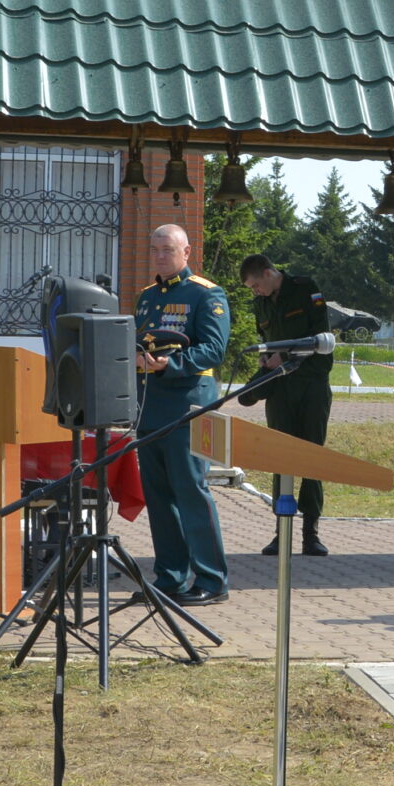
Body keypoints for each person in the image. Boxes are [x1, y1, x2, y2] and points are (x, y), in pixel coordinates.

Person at [132, 223, 232, 606]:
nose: (160, 256)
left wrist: (168, 365)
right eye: (155, 249)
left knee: (191, 491)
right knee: (158, 496)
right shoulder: (145, 297)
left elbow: (213, 350)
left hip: (189, 404)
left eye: (168, 250)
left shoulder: (206, 294)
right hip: (150, 406)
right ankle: (170, 577)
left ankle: (211, 578)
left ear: (186, 252)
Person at [241, 253, 333, 557]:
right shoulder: (261, 303)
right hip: (280, 387)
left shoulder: (305, 289)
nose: (255, 292)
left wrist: (289, 355)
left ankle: (311, 533)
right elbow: (266, 338)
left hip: (310, 384)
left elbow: (321, 335)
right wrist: (266, 360)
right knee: (281, 459)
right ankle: (282, 533)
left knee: (311, 457)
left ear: (269, 273)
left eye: (256, 285)